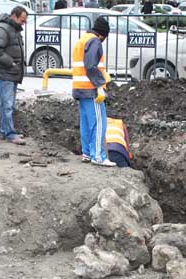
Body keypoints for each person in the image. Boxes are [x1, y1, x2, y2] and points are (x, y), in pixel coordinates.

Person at [72, 17, 115, 167]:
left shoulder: (83, 39)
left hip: (80, 88)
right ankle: (98, 156)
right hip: (91, 90)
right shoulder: (95, 41)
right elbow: (91, 66)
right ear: (103, 35)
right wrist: (100, 84)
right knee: (99, 123)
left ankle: (87, 153)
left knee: (86, 123)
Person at [0, 6, 28, 145]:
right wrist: (11, 63)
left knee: (8, 104)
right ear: (14, 16)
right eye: (22, 20)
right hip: (5, 72)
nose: (24, 23)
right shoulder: (3, 29)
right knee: (7, 105)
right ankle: (10, 134)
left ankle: (5, 131)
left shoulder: (13, 29)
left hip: (12, 73)